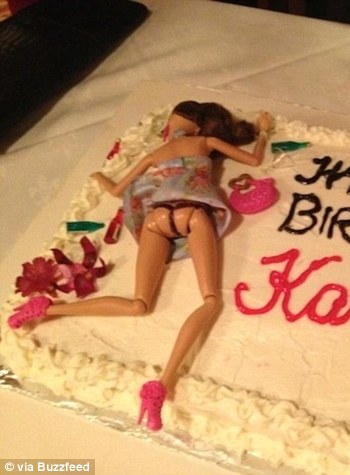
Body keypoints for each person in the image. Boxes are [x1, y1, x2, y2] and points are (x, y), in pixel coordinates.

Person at [7, 101, 274, 431]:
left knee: (138, 304)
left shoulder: (156, 154)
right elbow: (254, 160)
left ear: (181, 124)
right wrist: (263, 131)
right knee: (210, 300)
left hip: (155, 220)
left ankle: (47, 309)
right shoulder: (205, 142)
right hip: (192, 215)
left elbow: (117, 191)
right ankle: (163, 382)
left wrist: (101, 177)